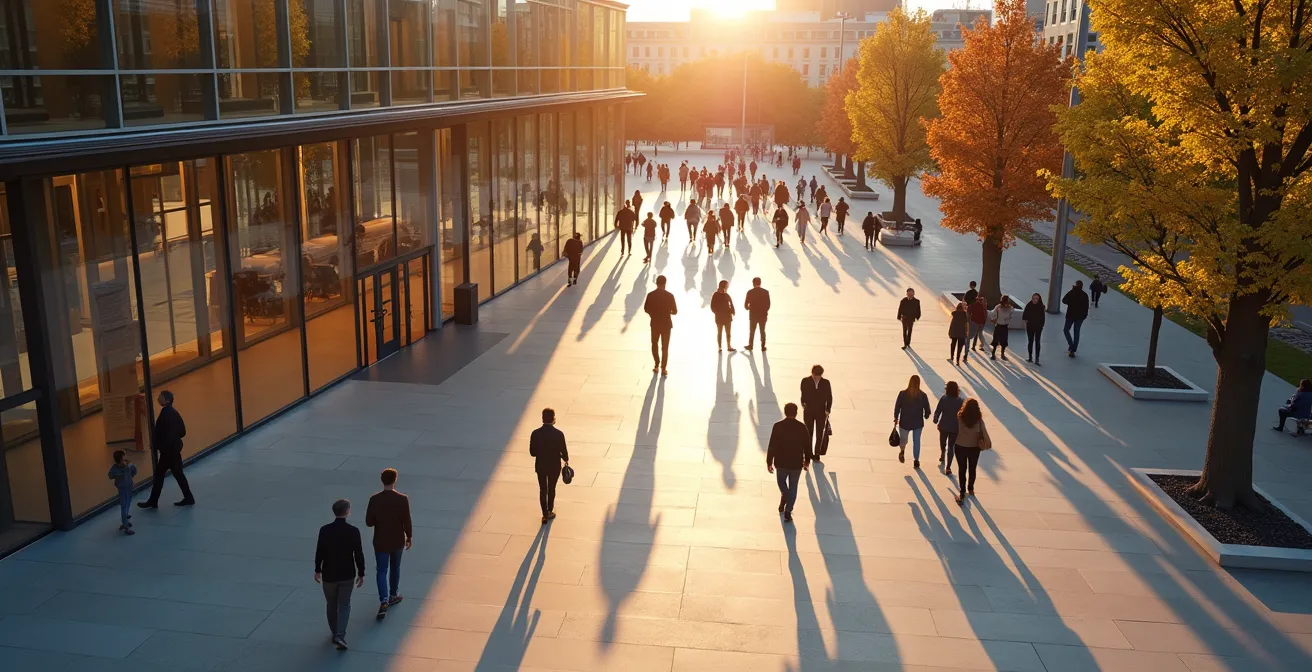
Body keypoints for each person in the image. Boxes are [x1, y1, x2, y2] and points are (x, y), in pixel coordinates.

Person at [315, 498, 366, 650]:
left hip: (329, 574)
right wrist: (361, 573)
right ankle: (340, 635)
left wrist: (317, 570)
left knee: (331, 604)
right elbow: (358, 554)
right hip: (347, 574)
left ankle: (334, 631)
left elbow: (320, 552)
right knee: (344, 605)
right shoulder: (353, 531)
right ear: (348, 512)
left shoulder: (324, 530)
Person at [365, 468, 412, 620]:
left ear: (382, 480)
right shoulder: (403, 499)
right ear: (395, 480)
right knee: (395, 567)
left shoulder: (374, 499)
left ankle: (383, 600)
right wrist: (409, 536)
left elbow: (369, 522)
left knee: (381, 570)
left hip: (380, 541)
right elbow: (407, 520)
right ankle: (393, 594)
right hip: (397, 540)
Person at [139, 390, 194, 508]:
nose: (158, 398)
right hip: (173, 450)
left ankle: (153, 501)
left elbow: (165, 434)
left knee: (160, 475)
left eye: (161, 397)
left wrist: (160, 445)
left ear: (167, 400)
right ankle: (188, 497)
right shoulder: (174, 413)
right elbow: (182, 431)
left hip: (168, 452)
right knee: (177, 474)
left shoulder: (166, 414)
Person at [767, 403, 810, 522]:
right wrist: (807, 460)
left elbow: (772, 445)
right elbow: (807, 445)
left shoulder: (778, 426)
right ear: (796, 413)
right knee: (793, 486)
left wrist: (769, 461)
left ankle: (784, 497)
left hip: (781, 462)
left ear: (785, 412)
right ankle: (788, 511)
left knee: (781, 482)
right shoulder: (802, 427)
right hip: (796, 463)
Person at [529, 408, 570, 523]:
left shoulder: (535, 433)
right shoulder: (559, 434)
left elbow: (532, 453)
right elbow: (564, 452)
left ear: (542, 418)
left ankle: (544, 514)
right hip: (554, 466)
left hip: (541, 466)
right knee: (552, 488)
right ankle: (550, 510)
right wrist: (565, 459)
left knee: (543, 489)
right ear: (553, 418)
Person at [953, 399, 991, 504]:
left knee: (962, 468)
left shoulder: (959, 417)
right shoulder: (979, 420)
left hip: (960, 446)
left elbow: (955, 429)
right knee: (972, 468)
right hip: (974, 447)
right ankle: (971, 488)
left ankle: (962, 490)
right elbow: (984, 432)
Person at [893, 375, 932, 468]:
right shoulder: (923, 395)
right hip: (917, 422)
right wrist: (926, 415)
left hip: (904, 421)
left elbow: (897, 406)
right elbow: (927, 409)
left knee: (903, 439)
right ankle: (916, 460)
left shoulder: (902, 394)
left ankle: (902, 451)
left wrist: (896, 417)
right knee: (917, 441)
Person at [644, 275, 677, 376]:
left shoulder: (650, 295)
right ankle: (664, 368)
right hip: (666, 324)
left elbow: (646, 308)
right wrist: (669, 311)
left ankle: (656, 364)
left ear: (656, 283)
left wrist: (653, 314)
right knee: (665, 346)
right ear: (665, 283)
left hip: (655, 323)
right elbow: (675, 311)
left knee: (654, 343)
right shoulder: (670, 296)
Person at [800, 365, 833, 462]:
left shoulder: (826, 383)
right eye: (815, 375)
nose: (816, 377)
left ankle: (817, 453)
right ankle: (808, 453)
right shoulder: (805, 381)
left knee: (819, 433)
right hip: (809, 410)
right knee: (808, 432)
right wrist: (803, 402)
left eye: (818, 376)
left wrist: (828, 409)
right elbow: (803, 393)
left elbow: (829, 397)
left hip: (821, 411)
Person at [934, 382, 965, 476]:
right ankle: (948, 467)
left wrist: (936, 418)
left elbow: (938, 410)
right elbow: (962, 415)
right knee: (951, 446)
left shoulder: (944, 398)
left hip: (944, 425)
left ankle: (942, 452)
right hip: (955, 427)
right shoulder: (960, 401)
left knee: (942, 441)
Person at [108, 450, 137, 535]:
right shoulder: (128, 466)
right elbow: (134, 471)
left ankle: (125, 520)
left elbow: (110, 475)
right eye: (124, 456)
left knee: (126, 503)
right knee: (125, 506)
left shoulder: (114, 468)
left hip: (122, 488)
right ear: (122, 458)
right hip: (127, 487)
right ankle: (125, 525)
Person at [1062, 280, 1090, 357]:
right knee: (1076, 332)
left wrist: (1070, 302)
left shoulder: (1072, 292)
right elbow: (1086, 307)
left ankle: (1071, 345)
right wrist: (1084, 315)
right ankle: (1073, 349)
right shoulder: (1084, 295)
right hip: (1080, 317)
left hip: (1070, 315)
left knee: (1066, 330)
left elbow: (1064, 300)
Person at [744, 277, 770, 351]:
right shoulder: (765, 292)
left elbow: (746, 305)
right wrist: (764, 311)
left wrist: (749, 308)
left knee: (752, 331)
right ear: (760, 283)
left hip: (753, 315)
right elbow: (768, 304)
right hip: (763, 315)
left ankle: (750, 345)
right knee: (762, 331)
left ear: (753, 283)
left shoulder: (750, 292)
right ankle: (763, 346)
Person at [711, 280, 736, 352]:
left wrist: (733, 311)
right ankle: (720, 347)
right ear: (723, 286)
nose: (727, 287)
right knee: (720, 333)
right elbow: (712, 307)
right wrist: (717, 313)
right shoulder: (715, 295)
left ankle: (729, 346)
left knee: (728, 333)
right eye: (727, 286)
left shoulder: (727, 295)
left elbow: (731, 304)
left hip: (728, 318)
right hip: (719, 318)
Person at [1022, 293, 1046, 365]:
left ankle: (1037, 359)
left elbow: (1043, 318)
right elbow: (1024, 315)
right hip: (1030, 326)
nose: (1035, 300)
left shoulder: (1041, 307)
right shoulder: (1029, 305)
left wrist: (1041, 326)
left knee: (1037, 342)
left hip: (1038, 327)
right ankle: (1030, 357)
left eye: (1036, 299)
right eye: (1033, 298)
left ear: (1039, 299)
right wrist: (1026, 320)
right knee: (1030, 341)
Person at [990, 295, 1014, 360]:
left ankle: (995, 355)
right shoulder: (999, 307)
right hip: (1001, 326)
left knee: (1000, 341)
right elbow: (994, 315)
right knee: (998, 341)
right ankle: (998, 354)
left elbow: (993, 315)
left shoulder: (1007, 308)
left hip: (1001, 325)